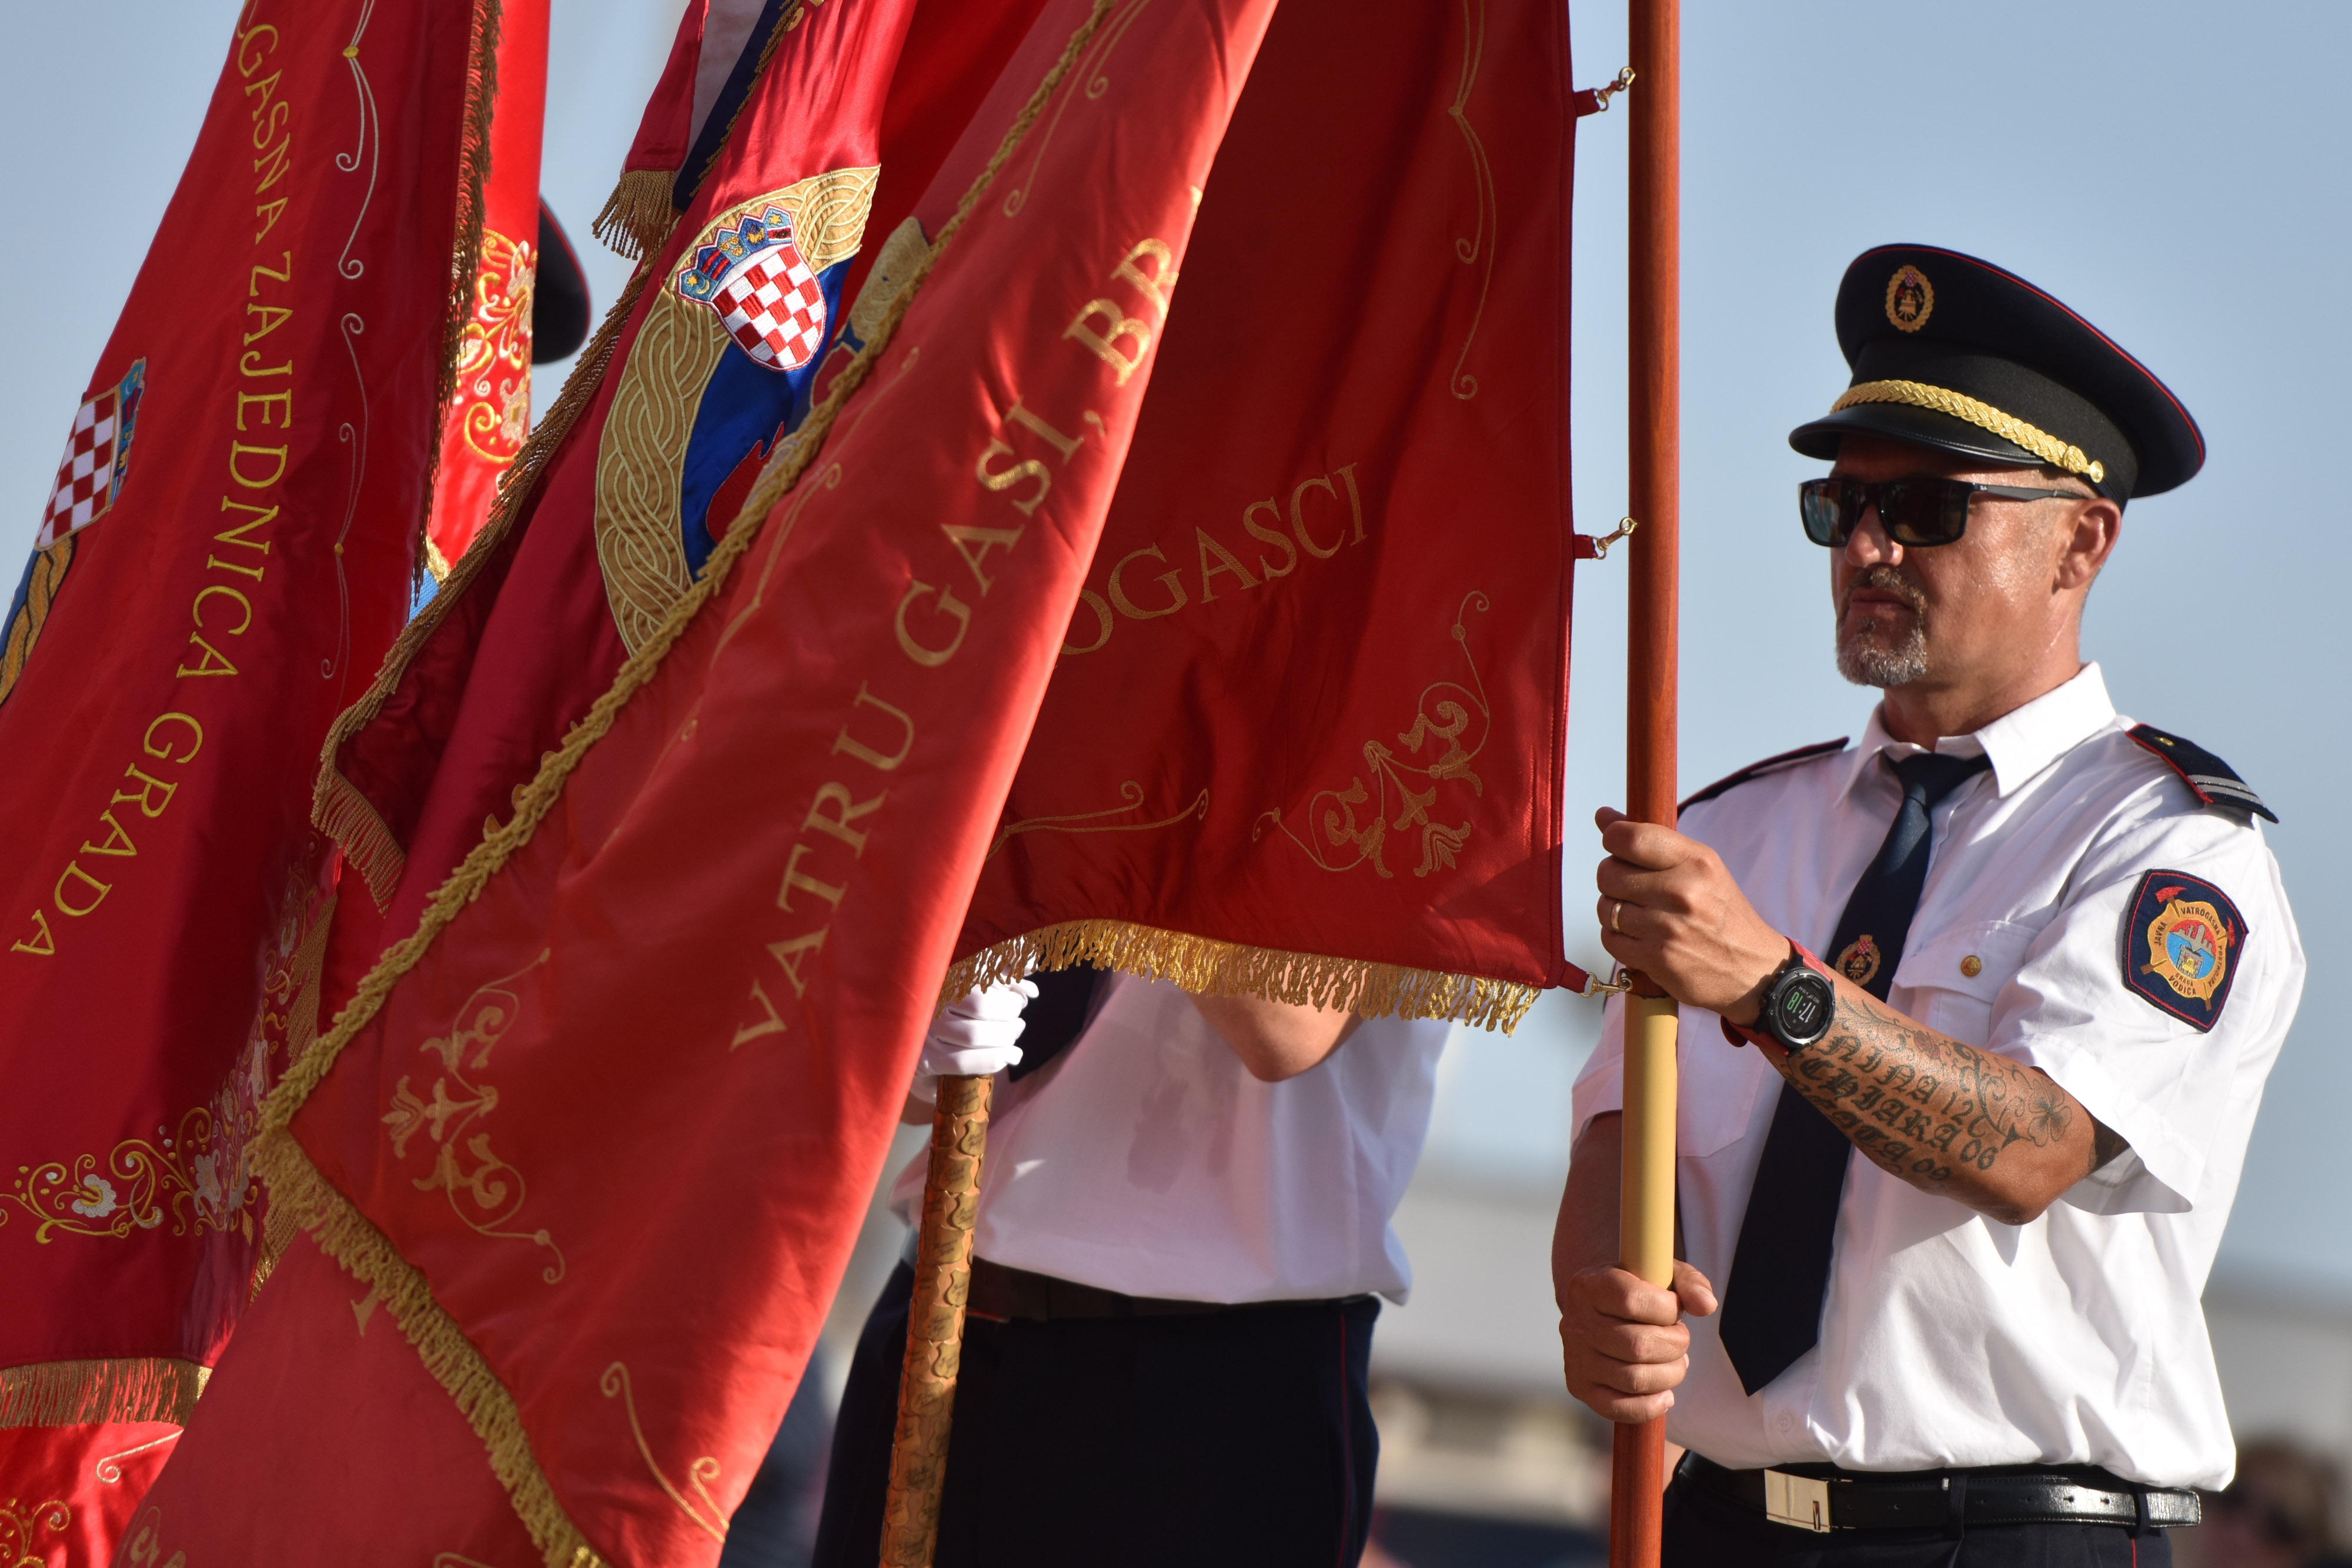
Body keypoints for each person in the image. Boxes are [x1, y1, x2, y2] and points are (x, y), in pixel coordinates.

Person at [1552, 244, 2305, 1565]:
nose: (1864, 545)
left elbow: (2028, 1149)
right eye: (1837, 503)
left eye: (1926, 508)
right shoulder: (1731, 829)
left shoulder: (2168, 850)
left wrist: (1770, 984)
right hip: (1724, 1519)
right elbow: (1623, 1129)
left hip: (2003, 1528)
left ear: (2080, 538)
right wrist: (1600, 1296)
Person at [809, 967, 1453, 1568]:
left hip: (1208, 1383)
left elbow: (1287, 1028)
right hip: (943, 1306)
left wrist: (1109, 849)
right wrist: (919, 1021)